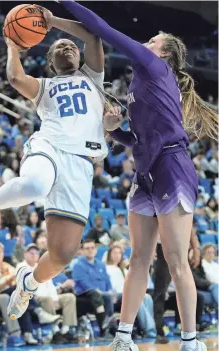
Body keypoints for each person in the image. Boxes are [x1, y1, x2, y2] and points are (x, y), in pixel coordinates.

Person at [58, 2, 218, 351]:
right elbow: (137, 140)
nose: (145, 43)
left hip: (172, 168)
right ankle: (123, 338)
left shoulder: (154, 66)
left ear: (165, 54)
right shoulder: (143, 80)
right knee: (139, 258)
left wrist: (63, 4)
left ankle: (190, 341)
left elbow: (103, 29)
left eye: (152, 40)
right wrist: (115, 131)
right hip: (146, 171)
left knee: (176, 261)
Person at [0, 7, 112, 325]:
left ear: (78, 58)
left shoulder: (92, 77)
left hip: (80, 166)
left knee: (62, 256)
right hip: (48, 148)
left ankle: (27, 284)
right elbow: (14, 77)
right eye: (59, 47)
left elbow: (92, 35)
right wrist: (12, 45)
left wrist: (53, 23)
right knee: (35, 186)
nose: (67, 46)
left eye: (69, 46)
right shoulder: (45, 88)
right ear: (52, 64)